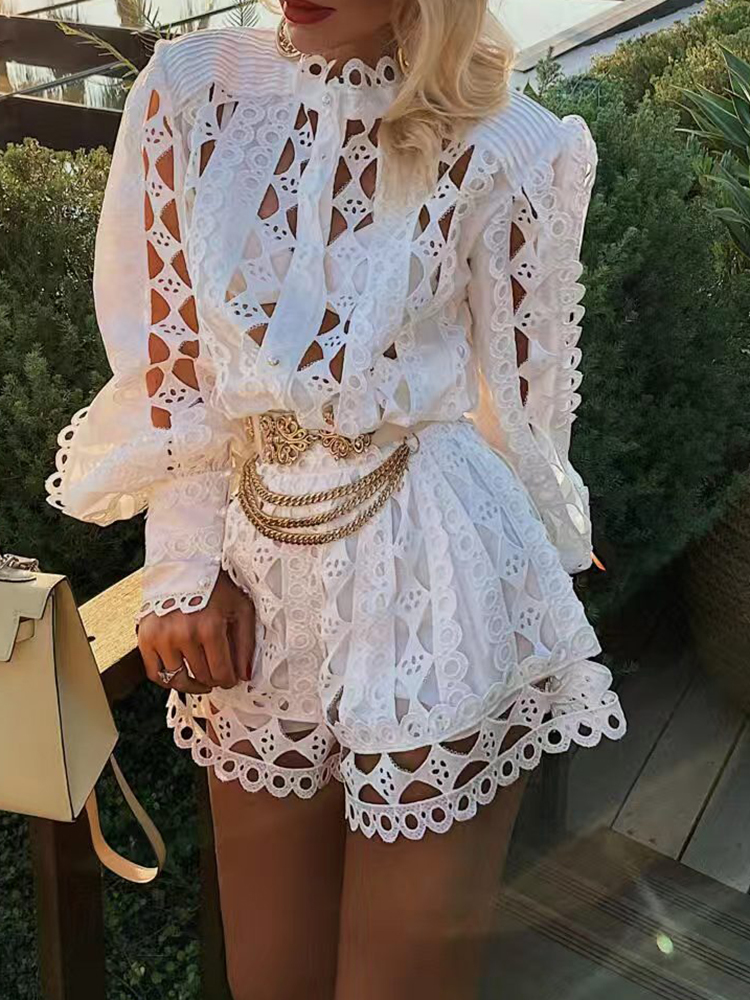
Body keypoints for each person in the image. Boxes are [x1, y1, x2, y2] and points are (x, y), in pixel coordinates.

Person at [46, 1, 627, 997]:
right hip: (259, 575)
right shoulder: (192, 91)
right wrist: (183, 568)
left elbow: (521, 412)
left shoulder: (513, 141)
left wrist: (548, 556)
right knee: (270, 980)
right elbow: (170, 371)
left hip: (438, 582)